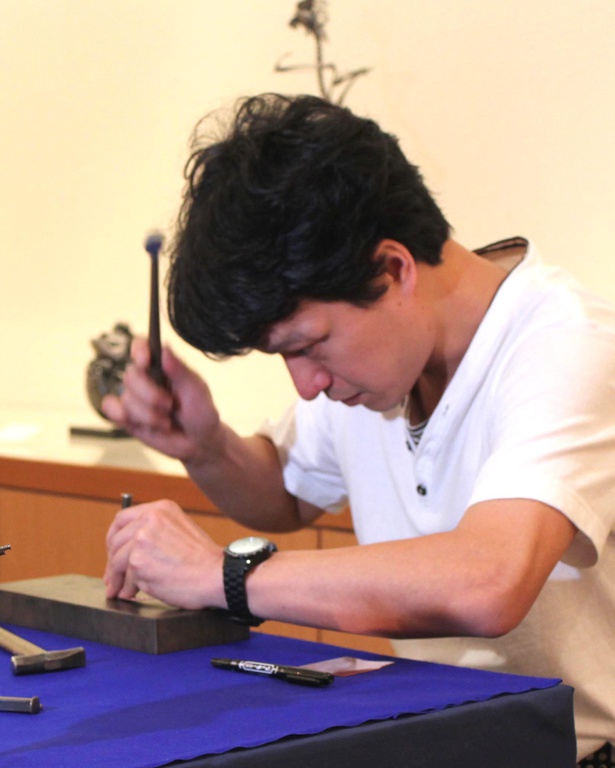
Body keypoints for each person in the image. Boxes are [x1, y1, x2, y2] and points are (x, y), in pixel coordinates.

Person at [102, 93, 615, 764]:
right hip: (446, 740)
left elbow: (488, 581)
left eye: (307, 346)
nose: (305, 384)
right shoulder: (379, 363)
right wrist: (206, 446)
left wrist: (224, 576)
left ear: (394, 269)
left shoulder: (568, 347)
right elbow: (284, 497)